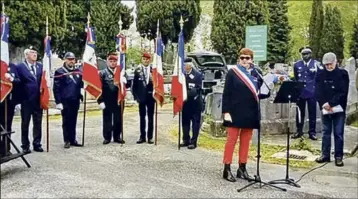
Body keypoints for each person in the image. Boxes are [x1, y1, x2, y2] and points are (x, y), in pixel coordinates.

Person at [221, 48, 270, 182]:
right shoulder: (233, 73)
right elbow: (226, 94)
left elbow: (260, 92)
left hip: (250, 111)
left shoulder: (256, 74)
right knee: (231, 141)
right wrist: (225, 112)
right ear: (239, 59)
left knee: (245, 142)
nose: (244, 60)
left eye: (247, 58)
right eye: (242, 58)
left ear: (252, 60)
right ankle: (227, 169)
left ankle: (242, 168)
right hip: (234, 111)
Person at [315, 52, 349, 167]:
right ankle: (325, 155)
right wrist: (324, 104)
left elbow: (343, 92)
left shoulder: (343, 74)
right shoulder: (320, 74)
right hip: (325, 108)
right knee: (325, 133)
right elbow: (318, 91)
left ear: (336, 62)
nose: (329, 67)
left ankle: (338, 156)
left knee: (338, 133)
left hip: (338, 108)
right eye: (326, 65)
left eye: (331, 64)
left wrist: (331, 103)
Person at [16, 46, 44, 153]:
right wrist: (18, 100)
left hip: (38, 100)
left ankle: (37, 144)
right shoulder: (20, 67)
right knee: (25, 123)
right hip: (26, 100)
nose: (35, 54)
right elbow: (18, 84)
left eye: (36, 52)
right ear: (26, 55)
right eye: (32, 52)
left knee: (38, 123)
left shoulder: (40, 66)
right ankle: (25, 145)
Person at [53, 52, 83, 149]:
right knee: (66, 121)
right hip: (65, 101)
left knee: (73, 121)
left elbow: (80, 84)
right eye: (69, 59)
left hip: (75, 100)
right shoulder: (60, 71)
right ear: (65, 60)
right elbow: (56, 88)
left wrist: (82, 91)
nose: (71, 61)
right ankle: (67, 140)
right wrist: (58, 102)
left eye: (73, 59)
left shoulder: (78, 71)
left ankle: (73, 139)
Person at [292, 47, 321, 140]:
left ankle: (312, 132)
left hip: (312, 92)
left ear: (311, 54)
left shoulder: (316, 64)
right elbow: (296, 77)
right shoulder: (297, 65)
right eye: (303, 54)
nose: (305, 56)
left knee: (312, 112)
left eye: (307, 54)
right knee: (300, 112)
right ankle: (299, 131)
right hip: (301, 92)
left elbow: (319, 78)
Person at [97, 52, 125, 145]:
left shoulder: (121, 72)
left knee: (118, 119)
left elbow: (128, 84)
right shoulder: (102, 73)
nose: (113, 63)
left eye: (114, 61)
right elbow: (98, 88)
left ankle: (117, 137)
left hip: (118, 99)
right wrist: (100, 100)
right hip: (107, 100)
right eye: (111, 61)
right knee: (107, 119)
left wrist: (125, 81)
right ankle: (107, 137)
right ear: (107, 62)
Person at [132, 52, 155, 144]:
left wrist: (154, 81)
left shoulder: (154, 70)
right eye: (144, 59)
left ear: (150, 60)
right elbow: (135, 86)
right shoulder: (137, 71)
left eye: (147, 59)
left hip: (151, 97)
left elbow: (159, 84)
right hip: (141, 98)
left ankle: (150, 137)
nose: (146, 61)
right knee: (142, 117)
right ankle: (142, 136)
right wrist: (136, 97)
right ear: (142, 60)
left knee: (150, 118)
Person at [179, 58, 203, 149]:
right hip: (185, 103)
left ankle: (193, 141)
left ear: (190, 65)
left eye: (186, 65)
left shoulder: (197, 75)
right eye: (184, 65)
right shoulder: (182, 75)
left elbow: (198, 88)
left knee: (195, 123)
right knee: (185, 122)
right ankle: (186, 139)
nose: (184, 67)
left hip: (195, 103)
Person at [0, 63, 21, 156]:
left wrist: (12, 79)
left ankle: (6, 148)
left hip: (9, 102)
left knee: (7, 125)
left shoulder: (12, 66)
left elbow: (18, 81)